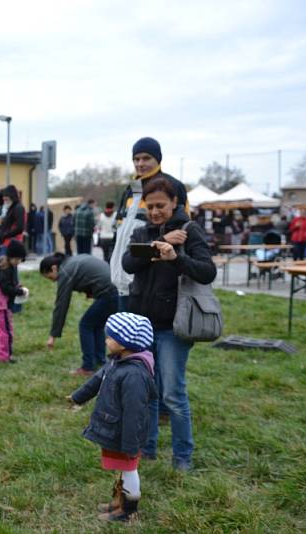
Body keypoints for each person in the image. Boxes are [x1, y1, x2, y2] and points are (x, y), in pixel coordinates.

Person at [122, 177, 216, 471]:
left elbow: (207, 271)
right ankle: (147, 448)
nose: (155, 212)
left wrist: (175, 257)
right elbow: (128, 263)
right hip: (142, 326)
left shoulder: (190, 231)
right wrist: (156, 246)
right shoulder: (141, 231)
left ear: (174, 202)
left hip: (174, 326)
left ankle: (182, 457)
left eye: (160, 206)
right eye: (150, 207)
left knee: (173, 394)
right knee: (146, 390)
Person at [68, 313, 157, 522]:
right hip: (117, 429)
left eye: (110, 337)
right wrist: (77, 397)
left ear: (126, 343)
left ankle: (128, 510)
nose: (106, 340)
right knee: (123, 469)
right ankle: (120, 501)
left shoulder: (134, 375)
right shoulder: (118, 361)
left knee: (129, 469)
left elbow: (134, 414)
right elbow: (98, 379)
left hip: (126, 433)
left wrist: (130, 444)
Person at [110, 137, 189, 312]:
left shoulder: (172, 186)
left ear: (158, 159)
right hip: (123, 274)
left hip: (153, 278)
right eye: (136, 159)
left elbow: (182, 229)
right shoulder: (131, 188)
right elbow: (121, 231)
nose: (140, 163)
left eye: (146, 158)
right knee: (124, 335)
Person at [40, 252, 118, 376]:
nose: (53, 281)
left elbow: (61, 305)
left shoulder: (65, 272)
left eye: (50, 277)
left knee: (85, 325)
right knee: (96, 325)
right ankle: (100, 360)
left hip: (109, 292)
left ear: (54, 268)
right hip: (115, 290)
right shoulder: (71, 262)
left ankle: (87, 367)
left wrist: (53, 335)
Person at [0, 240, 28, 363]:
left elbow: (7, 284)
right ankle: (4, 356)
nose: (18, 262)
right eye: (17, 259)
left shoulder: (4, 266)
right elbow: (5, 288)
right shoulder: (6, 269)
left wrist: (16, 286)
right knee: (6, 331)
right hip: (2, 306)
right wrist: (19, 291)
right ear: (11, 257)